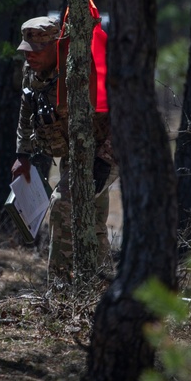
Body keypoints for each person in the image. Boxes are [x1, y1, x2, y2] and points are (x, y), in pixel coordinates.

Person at [11, 15, 118, 281]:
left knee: (63, 204)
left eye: (37, 51)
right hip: (76, 149)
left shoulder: (84, 71)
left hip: (108, 148)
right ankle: (103, 288)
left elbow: (122, 116)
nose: (30, 57)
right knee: (92, 222)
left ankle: (59, 286)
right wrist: (22, 154)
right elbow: (26, 108)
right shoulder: (32, 72)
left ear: (57, 47)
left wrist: (104, 161)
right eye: (26, 50)